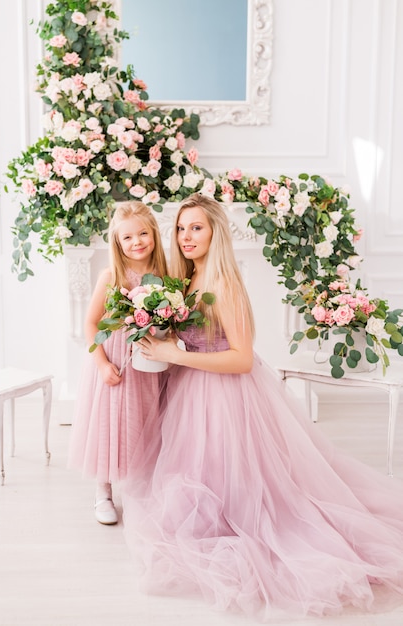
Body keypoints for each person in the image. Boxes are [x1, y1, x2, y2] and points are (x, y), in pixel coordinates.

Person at [121, 193, 403, 621]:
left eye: (196, 227)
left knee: (247, 488)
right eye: (181, 228)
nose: (186, 236)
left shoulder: (223, 283)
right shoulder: (186, 280)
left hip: (226, 395)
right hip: (190, 392)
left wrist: (177, 355)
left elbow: (242, 358)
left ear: (215, 231)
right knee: (196, 476)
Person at [68, 200, 168, 525]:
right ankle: (103, 491)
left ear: (153, 233)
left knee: (144, 423)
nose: (137, 241)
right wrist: (101, 364)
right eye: (128, 237)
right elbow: (90, 324)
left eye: (143, 233)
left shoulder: (165, 276)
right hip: (114, 361)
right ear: (117, 242)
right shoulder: (111, 275)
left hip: (147, 362)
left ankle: (140, 488)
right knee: (109, 425)